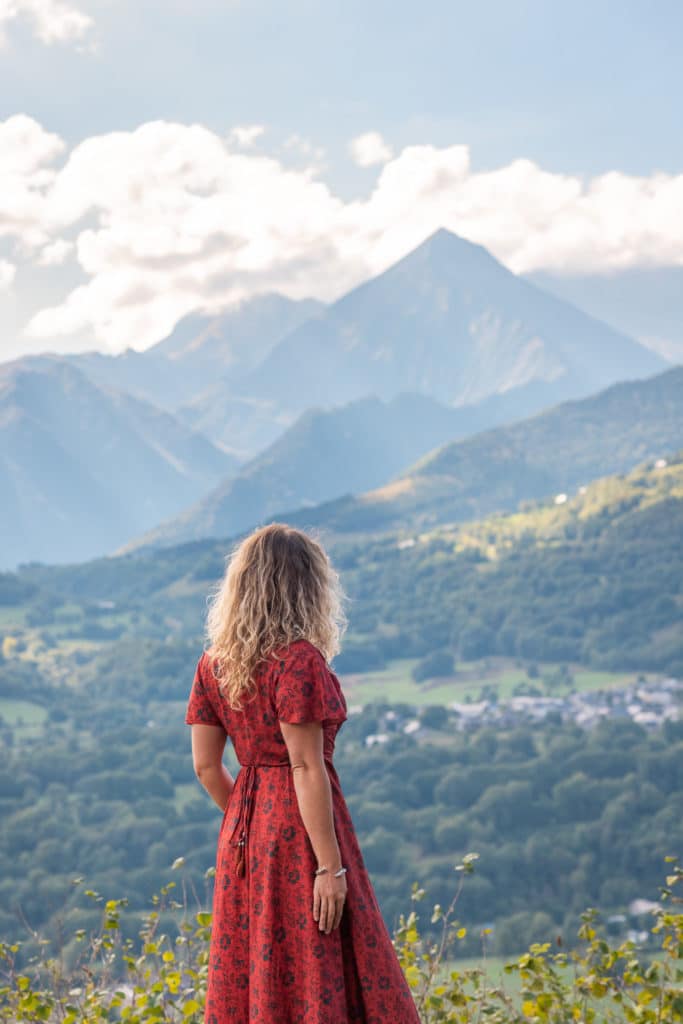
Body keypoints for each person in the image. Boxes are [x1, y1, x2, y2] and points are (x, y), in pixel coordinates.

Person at [185, 522, 421, 1024]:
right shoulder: (298, 661)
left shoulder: (213, 665)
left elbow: (206, 768)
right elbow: (305, 764)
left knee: (254, 960)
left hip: (243, 837)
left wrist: (253, 824)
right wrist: (329, 868)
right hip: (302, 832)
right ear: (305, 587)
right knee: (316, 961)